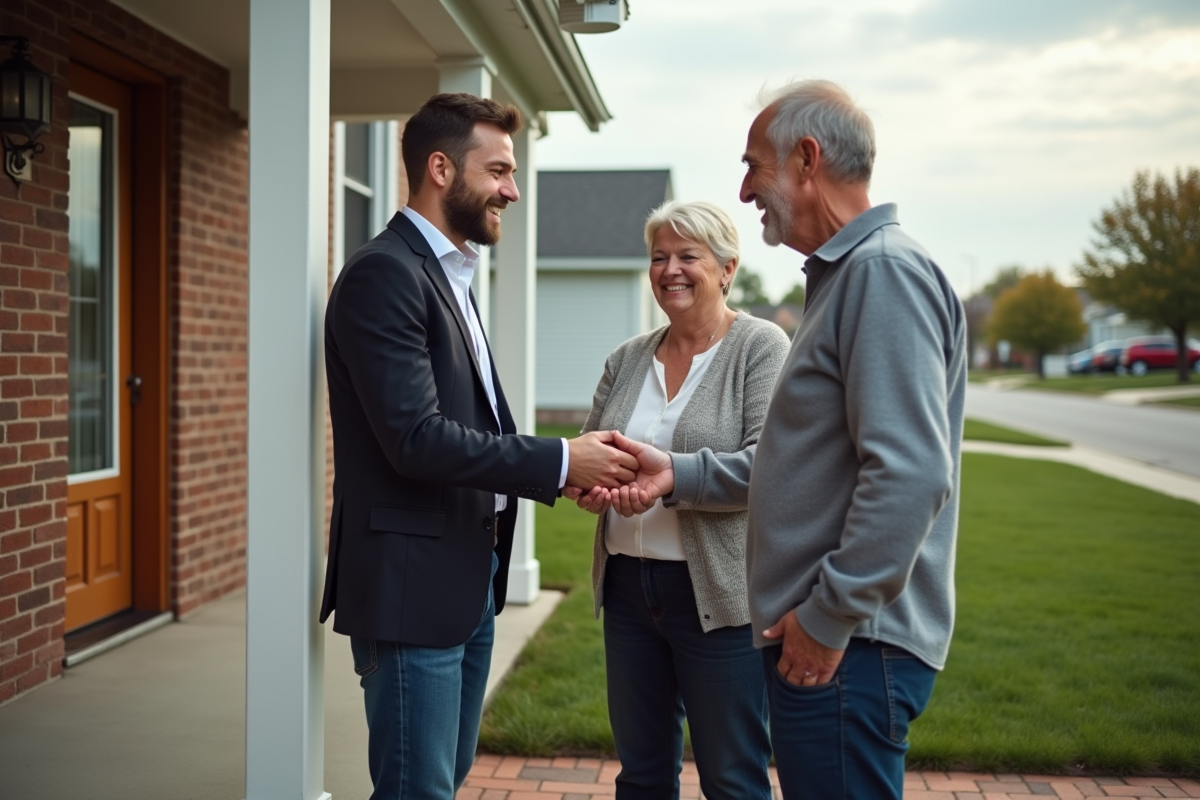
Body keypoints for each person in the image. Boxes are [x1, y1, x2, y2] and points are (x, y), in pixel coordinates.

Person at [610, 80, 967, 800]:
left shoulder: (882, 273)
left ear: (807, 160)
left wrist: (828, 617)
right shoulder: (849, 277)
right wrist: (675, 472)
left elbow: (910, 476)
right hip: (837, 643)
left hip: (849, 650)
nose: (745, 191)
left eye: (754, 167)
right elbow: (799, 465)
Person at [320, 93, 639, 800]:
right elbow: (415, 439)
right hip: (412, 588)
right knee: (416, 790)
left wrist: (570, 468)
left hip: (465, 581)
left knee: (443, 781)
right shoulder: (385, 274)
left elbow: (475, 427)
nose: (512, 190)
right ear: (440, 168)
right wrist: (558, 461)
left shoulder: (449, 273)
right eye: (497, 170)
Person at [567, 201, 790, 800]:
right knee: (640, 775)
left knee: (732, 777)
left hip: (715, 595)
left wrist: (673, 477)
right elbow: (595, 449)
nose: (671, 270)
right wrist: (595, 485)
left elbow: (770, 469)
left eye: (688, 256)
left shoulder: (760, 347)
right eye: (659, 257)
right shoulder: (628, 357)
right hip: (626, 590)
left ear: (726, 268)